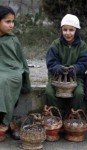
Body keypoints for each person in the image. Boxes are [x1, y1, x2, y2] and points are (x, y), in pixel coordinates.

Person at [46, 14, 87, 117]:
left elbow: (84, 63)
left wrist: (75, 69)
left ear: (76, 31)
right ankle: (57, 116)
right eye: (65, 30)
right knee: (49, 92)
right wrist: (58, 68)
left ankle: (73, 116)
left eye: (71, 30)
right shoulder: (55, 44)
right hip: (56, 76)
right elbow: (51, 62)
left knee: (79, 93)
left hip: (76, 77)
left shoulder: (82, 46)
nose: (68, 33)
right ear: (61, 30)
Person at [0, 5, 31, 137]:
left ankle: (5, 122)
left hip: (12, 71)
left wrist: (24, 73)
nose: (11, 25)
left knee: (4, 81)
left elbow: (20, 60)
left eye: (13, 21)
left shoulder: (13, 39)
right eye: (8, 21)